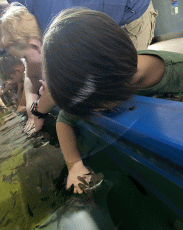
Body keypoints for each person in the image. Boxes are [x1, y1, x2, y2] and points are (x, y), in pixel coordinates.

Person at [42, 8, 183, 193]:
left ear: (109, 87)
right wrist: (74, 165)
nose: (93, 113)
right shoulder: (100, 86)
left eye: (95, 108)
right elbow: (64, 119)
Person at [0, 1, 158, 136]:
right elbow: (31, 73)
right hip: (93, 19)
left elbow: (66, 85)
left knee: (121, 79)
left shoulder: (60, 29)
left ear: (36, 44)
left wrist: (38, 112)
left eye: (25, 57)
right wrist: (31, 105)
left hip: (127, 13)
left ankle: (144, 129)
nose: (26, 62)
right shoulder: (27, 18)